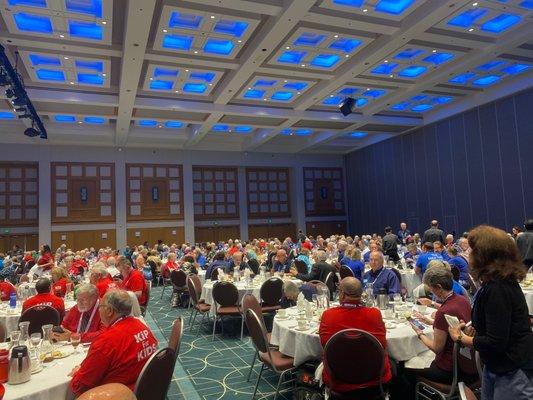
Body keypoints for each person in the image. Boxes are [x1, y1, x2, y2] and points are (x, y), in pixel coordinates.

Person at [448, 225, 533, 400]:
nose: (468, 254)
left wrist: (460, 338)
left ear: (484, 255)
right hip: (499, 366)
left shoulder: (497, 288)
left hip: (511, 370)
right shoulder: (496, 282)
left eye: (472, 250)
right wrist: (476, 331)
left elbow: (496, 342)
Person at [69, 290, 158, 395]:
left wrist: (77, 373)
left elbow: (79, 387)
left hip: (119, 395)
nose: (98, 311)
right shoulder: (141, 325)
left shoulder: (106, 341)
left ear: (109, 311)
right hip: (148, 390)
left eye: (100, 307)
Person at [405, 264, 473, 393]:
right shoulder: (462, 300)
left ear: (439, 288)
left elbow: (437, 348)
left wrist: (419, 333)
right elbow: (452, 325)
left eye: (431, 289)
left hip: (449, 370)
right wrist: (430, 321)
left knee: (404, 367)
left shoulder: (443, 311)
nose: (431, 292)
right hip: (468, 364)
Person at [319, 277, 392, 394]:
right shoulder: (374, 314)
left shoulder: (329, 315)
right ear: (361, 294)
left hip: (338, 379)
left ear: (342, 294)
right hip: (374, 378)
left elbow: (324, 345)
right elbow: (383, 345)